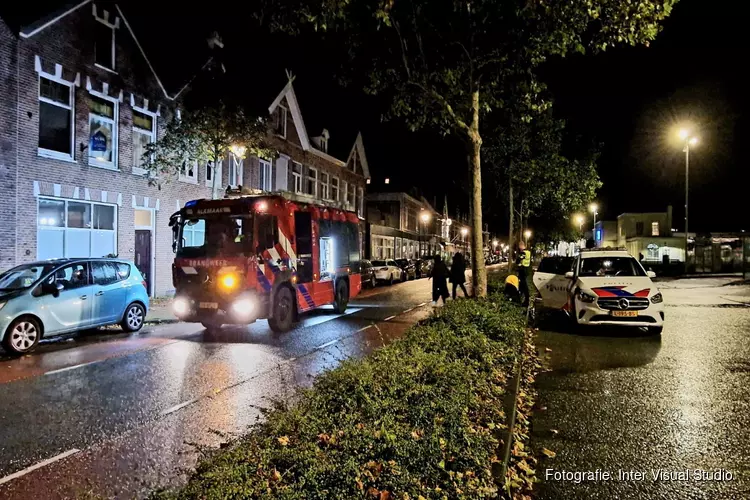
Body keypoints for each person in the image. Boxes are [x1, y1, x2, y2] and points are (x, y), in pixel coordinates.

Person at [516, 240, 531, 307]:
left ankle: (526, 301)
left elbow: (518, 260)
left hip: (523, 270)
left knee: (524, 286)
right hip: (525, 270)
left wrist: (518, 260)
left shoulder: (523, 253)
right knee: (522, 286)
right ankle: (520, 299)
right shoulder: (528, 252)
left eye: (520, 246)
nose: (519, 248)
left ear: (522, 246)